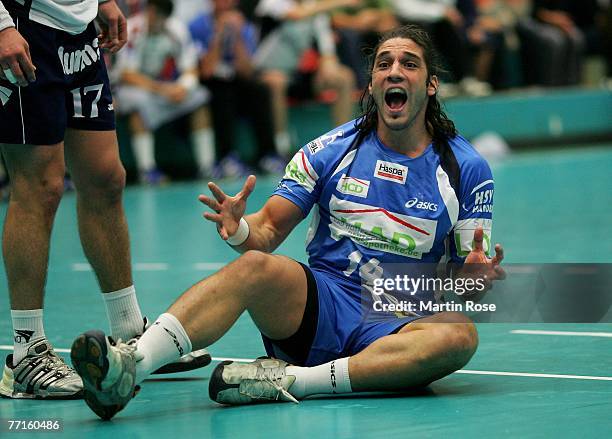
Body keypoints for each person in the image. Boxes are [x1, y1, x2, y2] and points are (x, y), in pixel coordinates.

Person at [69, 25, 505, 420]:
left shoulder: (466, 168)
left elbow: (467, 275)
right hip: (322, 307)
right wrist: (239, 228)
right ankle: (131, 366)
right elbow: (267, 232)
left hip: (400, 321)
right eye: (383, 64)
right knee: (254, 267)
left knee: (458, 335)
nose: (394, 71)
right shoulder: (330, 149)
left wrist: (472, 278)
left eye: (409, 64)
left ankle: (290, 381)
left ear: (430, 85)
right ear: (371, 83)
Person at [0, 0, 209, 400]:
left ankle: (130, 336)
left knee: (106, 179)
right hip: (24, 28)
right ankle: (27, 354)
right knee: (38, 187)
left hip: (79, 33)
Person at [114, 0, 215, 184]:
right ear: (149, 11)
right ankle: (147, 170)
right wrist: (160, 89)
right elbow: (126, 74)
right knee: (137, 103)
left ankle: (206, 166)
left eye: (161, 15)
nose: (157, 18)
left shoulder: (176, 29)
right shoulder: (132, 28)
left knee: (199, 96)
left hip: (165, 89)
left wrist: (183, 87)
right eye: (154, 12)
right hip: (135, 89)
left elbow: (191, 68)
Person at [189, 0, 283, 178]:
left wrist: (238, 37)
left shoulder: (244, 26)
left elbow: (247, 71)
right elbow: (207, 70)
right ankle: (227, 158)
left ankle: (268, 154)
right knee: (222, 93)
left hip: (237, 80)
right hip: (210, 83)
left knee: (260, 90)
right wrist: (218, 35)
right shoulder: (197, 25)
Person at [253, 0, 358, 157]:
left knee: (344, 77)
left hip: (297, 75)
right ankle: (281, 151)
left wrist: (329, 64)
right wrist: (341, 2)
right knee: (277, 82)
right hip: (262, 73)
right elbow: (296, 14)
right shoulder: (271, 3)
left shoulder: (316, 12)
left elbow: (327, 51)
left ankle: (343, 145)